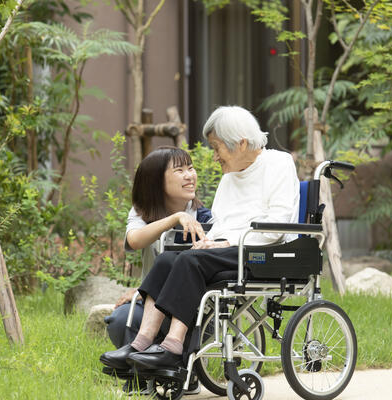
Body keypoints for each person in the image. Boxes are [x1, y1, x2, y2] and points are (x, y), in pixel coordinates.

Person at [100, 105, 299, 372]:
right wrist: (212, 241)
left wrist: (224, 243)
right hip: (231, 251)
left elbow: (276, 227)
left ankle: (172, 347)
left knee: (190, 260)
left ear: (240, 143)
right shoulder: (230, 178)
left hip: (265, 252)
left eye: (217, 148)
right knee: (170, 259)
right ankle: (140, 344)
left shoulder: (279, 164)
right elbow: (220, 224)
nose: (215, 157)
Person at [104, 146, 212, 394]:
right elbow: (135, 240)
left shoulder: (204, 217)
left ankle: (183, 370)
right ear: (156, 181)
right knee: (120, 319)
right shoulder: (142, 213)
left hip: (192, 312)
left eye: (191, 168)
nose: (190, 175)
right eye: (180, 170)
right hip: (153, 306)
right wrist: (174, 219)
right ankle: (141, 374)